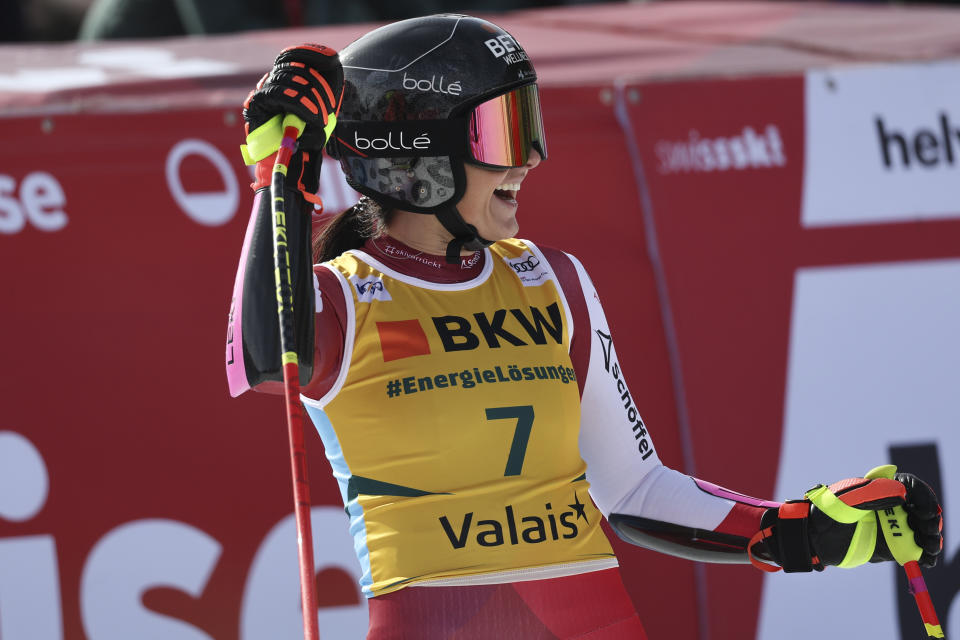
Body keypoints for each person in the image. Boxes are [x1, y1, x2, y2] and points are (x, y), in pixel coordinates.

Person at [225, 15, 944, 639]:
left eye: (529, 124)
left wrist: (801, 528)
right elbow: (262, 357)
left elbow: (632, 492)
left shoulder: (552, 278)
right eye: (503, 131)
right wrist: (280, 178)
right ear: (418, 152)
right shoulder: (342, 300)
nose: (533, 157)